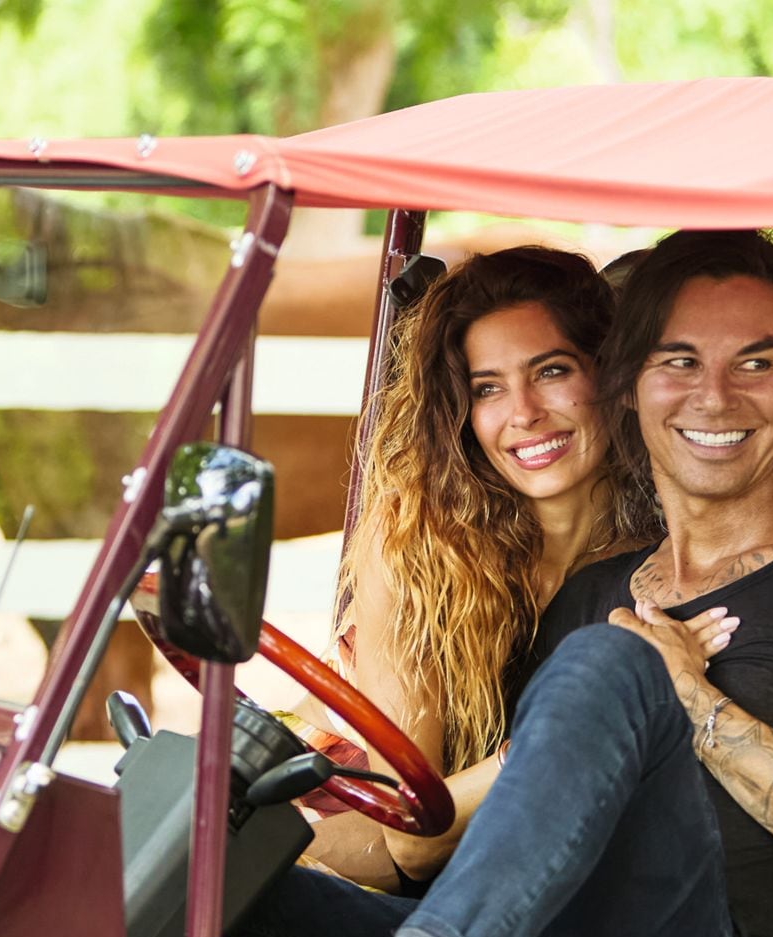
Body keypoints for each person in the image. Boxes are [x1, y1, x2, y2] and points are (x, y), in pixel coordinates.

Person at [173, 229, 773, 937]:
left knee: (612, 664)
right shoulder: (600, 588)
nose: (714, 397)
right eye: (680, 362)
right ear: (631, 379)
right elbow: (505, 836)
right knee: (185, 872)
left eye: (755, 363)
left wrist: (693, 704)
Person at [284, 244, 710, 890]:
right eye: (488, 388)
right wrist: (552, 738)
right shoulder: (419, 542)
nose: (523, 414)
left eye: (551, 371)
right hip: (332, 862)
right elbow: (411, 842)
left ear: (611, 375)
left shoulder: (665, 554)